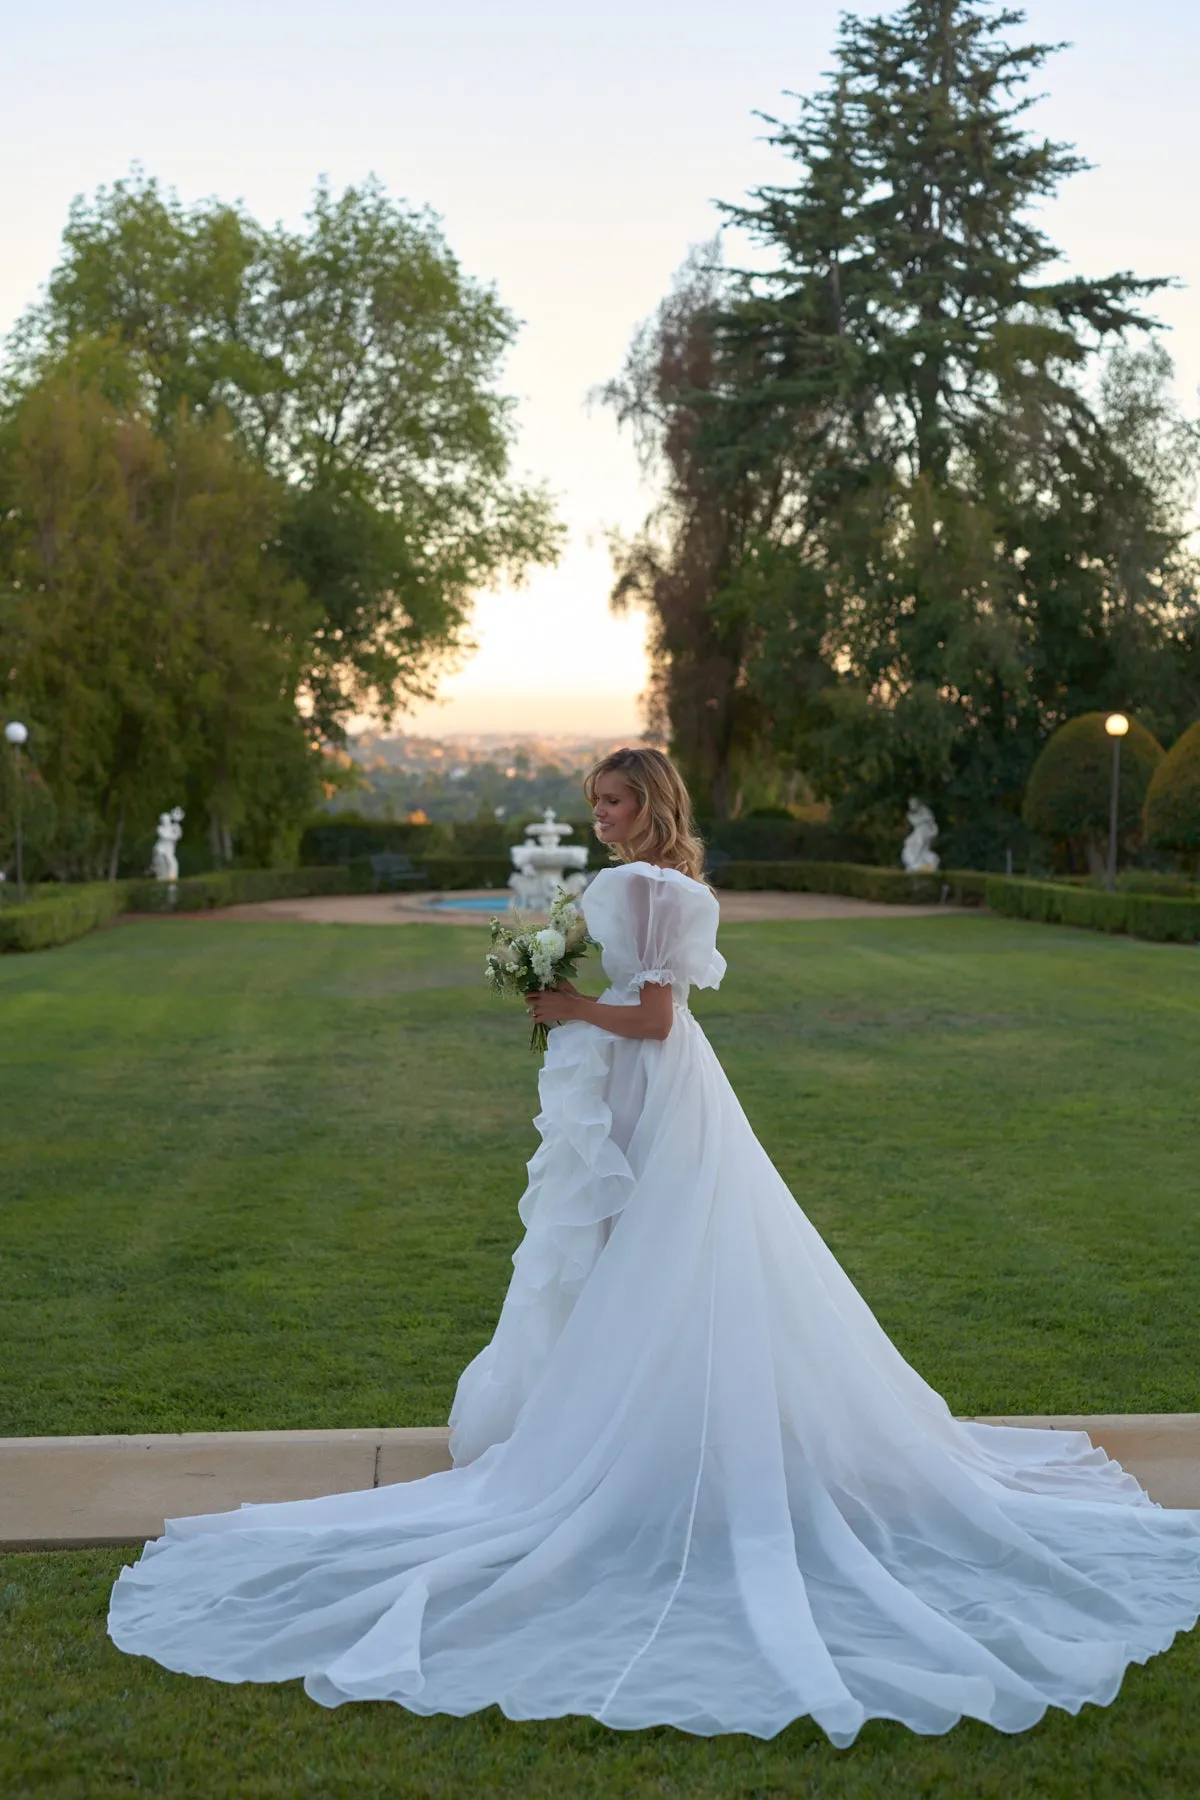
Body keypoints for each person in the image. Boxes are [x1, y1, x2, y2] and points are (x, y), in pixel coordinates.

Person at [109, 746, 1200, 1745]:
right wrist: (572, 995)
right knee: (660, 1254)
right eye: (595, 800)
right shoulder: (671, 888)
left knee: (636, 1246)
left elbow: (657, 1017)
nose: (602, 813)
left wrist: (568, 1002)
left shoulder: (638, 888)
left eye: (617, 799)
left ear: (653, 803)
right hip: (666, 1090)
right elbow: (658, 1004)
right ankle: (664, 1421)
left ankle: (633, 1437)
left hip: (646, 1081)